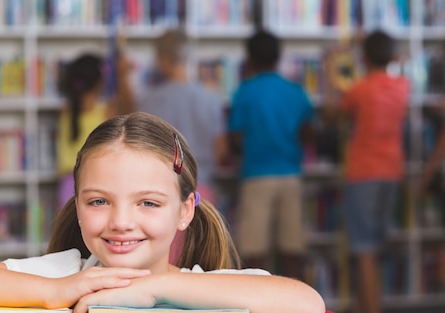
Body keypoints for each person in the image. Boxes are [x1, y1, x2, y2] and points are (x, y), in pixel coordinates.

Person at [0, 111, 326, 313]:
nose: (121, 222)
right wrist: (54, 292)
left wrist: (156, 289)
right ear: (78, 205)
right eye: (99, 202)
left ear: (185, 211)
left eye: (149, 203)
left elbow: (308, 311)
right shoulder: (66, 276)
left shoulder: (208, 289)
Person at [324, 30, 410, 313]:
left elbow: (333, 115)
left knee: (364, 250)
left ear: (364, 58)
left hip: (364, 174)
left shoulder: (360, 90)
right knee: (375, 246)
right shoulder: (403, 86)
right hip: (392, 173)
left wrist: (333, 76)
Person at [224, 30, 315, 279]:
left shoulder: (245, 91)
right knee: (292, 250)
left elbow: (234, 137)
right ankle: (297, 311)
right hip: (290, 175)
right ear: (279, 56)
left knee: (254, 253)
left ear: (249, 59)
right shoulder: (294, 91)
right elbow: (309, 133)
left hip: (256, 175)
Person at [136, 28, 227, 264]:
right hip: (203, 193)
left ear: (164, 59)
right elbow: (221, 152)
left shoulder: (150, 100)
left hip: (162, 196)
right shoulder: (210, 99)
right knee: (203, 265)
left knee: (165, 266)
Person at [56, 52, 133, 210]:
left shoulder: (65, 112)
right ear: (100, 82)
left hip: (66, 186)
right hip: (95, 181)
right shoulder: (106, 112)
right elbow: (131, 109)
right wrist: (123, 75)